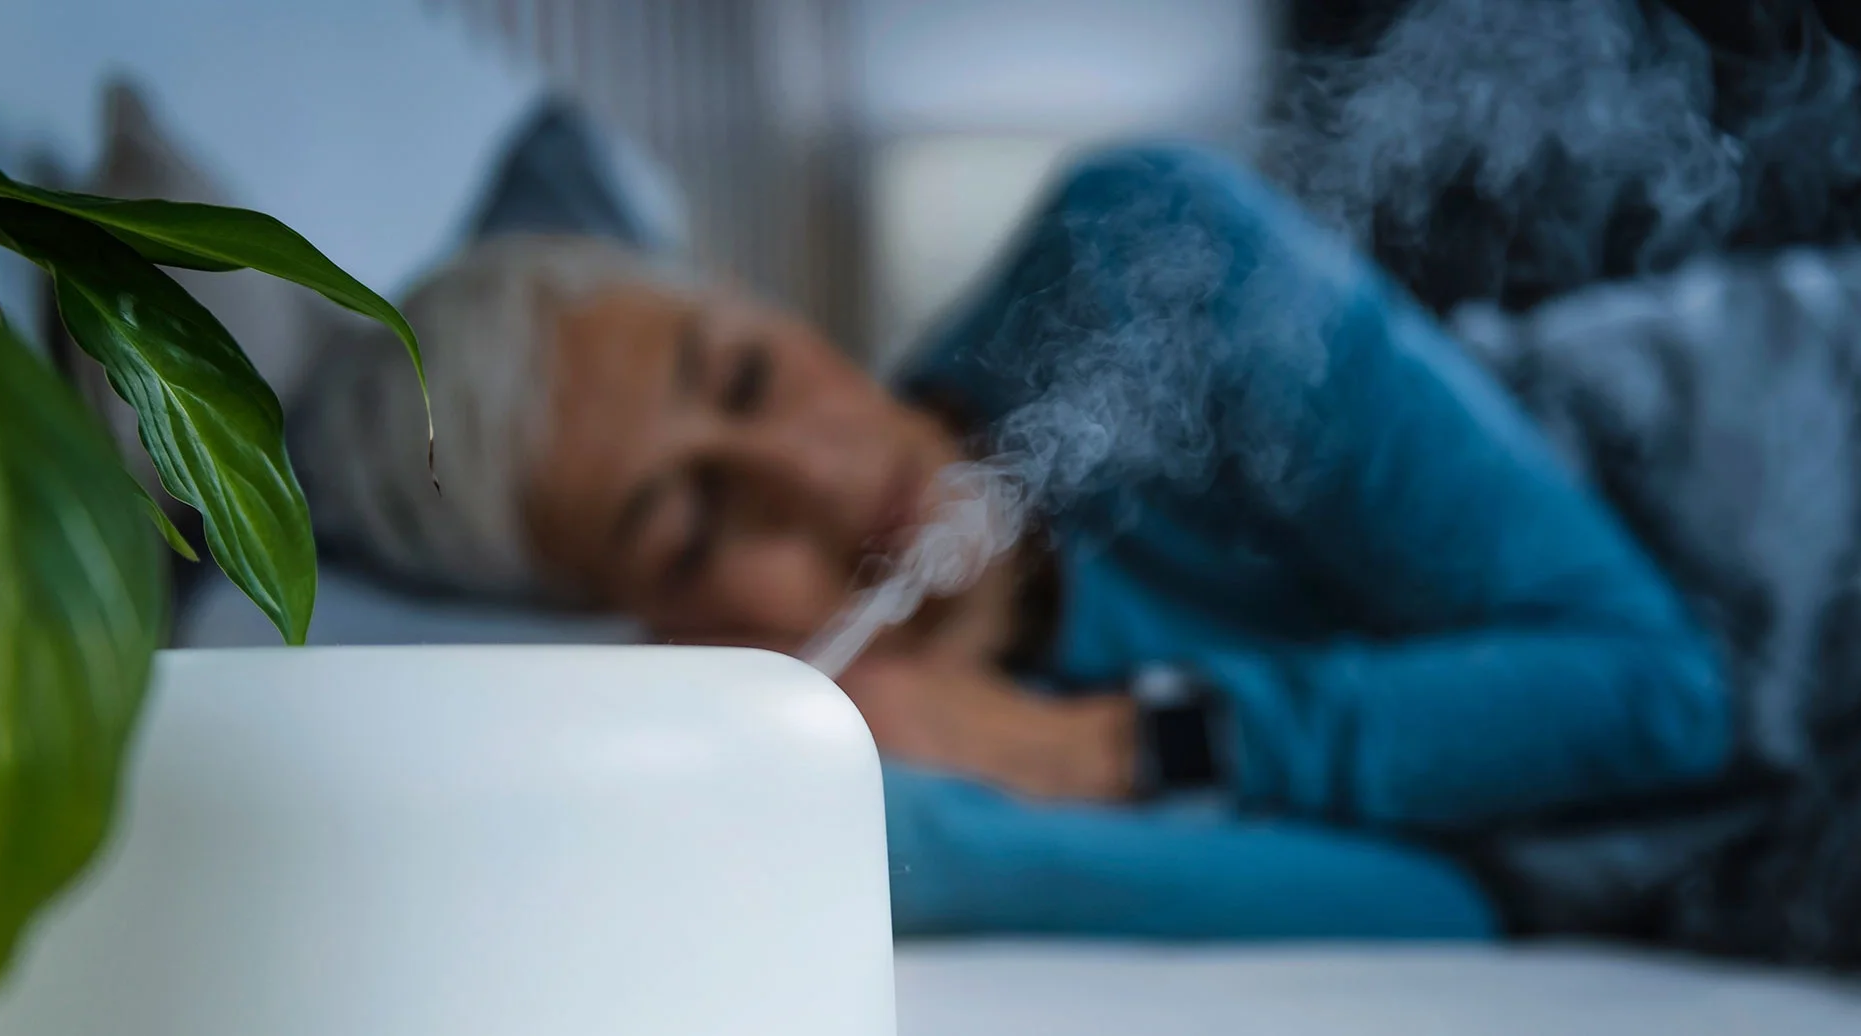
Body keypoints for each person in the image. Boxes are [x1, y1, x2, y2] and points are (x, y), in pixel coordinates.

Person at [293, 143, 1734, 942]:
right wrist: (936, 813)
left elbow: (1660, 697)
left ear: (759, 301)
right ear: (657, 633)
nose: (814, 475)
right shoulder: (906, 795)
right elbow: (1454, 908)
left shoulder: (1147, 263)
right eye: (687, 524)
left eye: (745, 375)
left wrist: (1103, 750)